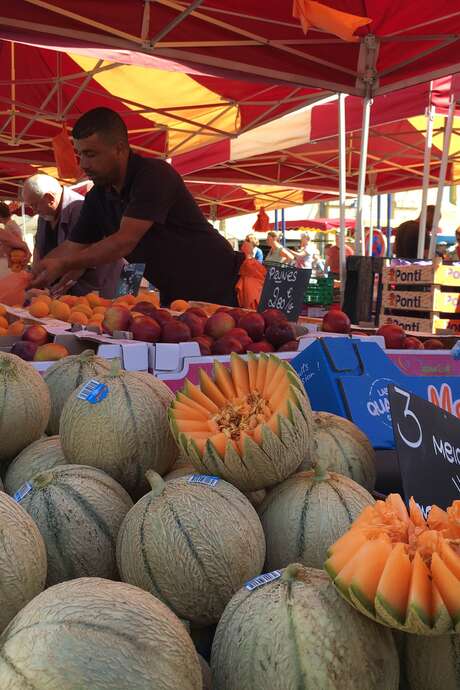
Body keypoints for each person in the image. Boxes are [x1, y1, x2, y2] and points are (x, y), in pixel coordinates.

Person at [31, 108, 244, 306]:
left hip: (220, 285)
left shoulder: (154, 175)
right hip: (176, 294)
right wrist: (32, 275)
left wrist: (64, 264)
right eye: (80, 155)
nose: (83, 165)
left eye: (91, 154)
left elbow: (124, 242)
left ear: (120, 149)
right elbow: (72, 246)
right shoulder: (97, 196)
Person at [22, 174, 123, 298]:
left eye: (34, 205)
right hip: (63, 292)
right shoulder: (44, 215)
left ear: (50, 198)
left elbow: (80, 259)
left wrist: (56, 291)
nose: (34, 210)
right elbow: (39, 248)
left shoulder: (80, 208)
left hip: (94, 290)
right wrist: (33, 276)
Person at [0, 202, 26, 278]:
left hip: (11, 261)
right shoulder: (11, 224)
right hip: (14, 260)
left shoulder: (9, 226)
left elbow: (8, 246)